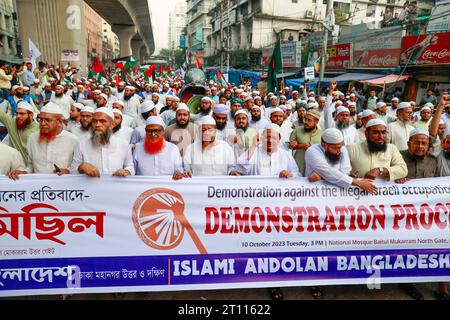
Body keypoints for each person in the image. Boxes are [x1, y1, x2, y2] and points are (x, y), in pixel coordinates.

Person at [8, 103, 79, 179]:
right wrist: (24, 172)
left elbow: (76, 167)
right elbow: (31, 166)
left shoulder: (73, 140)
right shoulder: (32, 138)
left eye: (47, 120)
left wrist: (68, 171)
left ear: (59, 122)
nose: (42, 123)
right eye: (40, 119)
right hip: (38, 187)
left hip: (64, 187)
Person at [70, 107, 135, 177]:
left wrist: (126, 171)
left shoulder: (123, 144)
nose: (97, 125)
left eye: (102, 121)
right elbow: (73, 171)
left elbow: (130, 167)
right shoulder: (82, 145)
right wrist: (81, 167)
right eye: (94, 121)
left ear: (112, 125)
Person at [233, 124, 300, 177]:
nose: (270, 141)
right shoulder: (254, 151)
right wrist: (253, 146)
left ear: (279, 139)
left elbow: (297, 174)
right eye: (267, 137)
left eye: (274, 138)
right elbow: (240, 169)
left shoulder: (286, 155)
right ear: (262, 137)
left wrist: (289, 174)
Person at [289, 110, 323, 175]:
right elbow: (291, 146)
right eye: (305, 119)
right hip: (299, 164)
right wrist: (301, 145)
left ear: (316, 121)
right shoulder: (297, 130)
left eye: (309, 120)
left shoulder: (322, 134)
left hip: (315, 167)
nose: (305, 122)